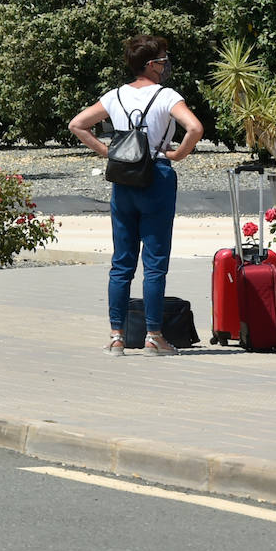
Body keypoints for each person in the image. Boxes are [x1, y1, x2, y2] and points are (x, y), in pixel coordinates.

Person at [68, 34, 203, 357]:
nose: (166, 62)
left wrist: (108, 151)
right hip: (156, 175)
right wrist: (178, 155)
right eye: (163, 57)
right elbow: (194, 128)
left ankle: (117, 336)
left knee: (122, 262)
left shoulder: (114, 96)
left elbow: (78, 124)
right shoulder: (167, 96)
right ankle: (154, 336)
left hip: (124, 177)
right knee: (154, 263)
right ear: (152, 64)